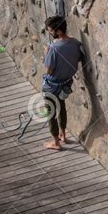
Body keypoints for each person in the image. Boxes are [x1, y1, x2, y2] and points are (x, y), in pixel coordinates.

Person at [42, 16, 85, 151]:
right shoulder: (76, 43)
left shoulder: (53, 49)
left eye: (50, 31)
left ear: (59, 31)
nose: (49, 33)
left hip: (52, 85)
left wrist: (46, 53)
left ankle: (56, 142)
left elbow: (48, 71)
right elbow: (78, 58)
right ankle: (63, 135)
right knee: (61, 108)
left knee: (51, 111)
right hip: (66, 83)